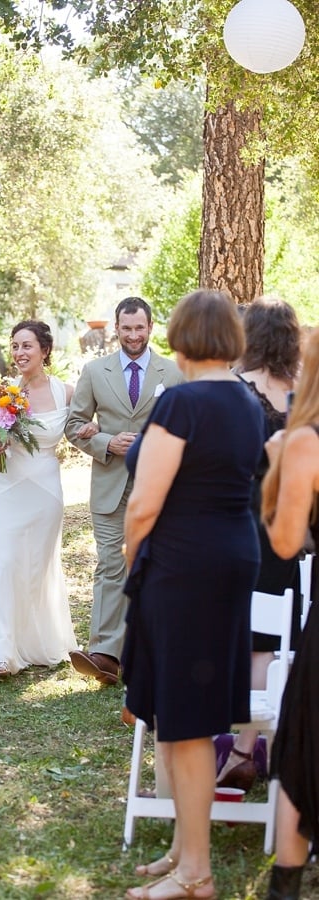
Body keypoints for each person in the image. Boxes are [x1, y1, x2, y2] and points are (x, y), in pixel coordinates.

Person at [121, 290, 265, 900]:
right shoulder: (246, 399)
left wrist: (134, 570)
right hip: (233, 558)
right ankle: (184, 846)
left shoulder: (181, 402)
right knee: (195, 711)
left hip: (184, 566)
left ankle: (196, 874)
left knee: (184, 722)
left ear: (179, 337)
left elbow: (143, 503)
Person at [65, 296, 183, 686]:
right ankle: (104, 654)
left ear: (151, 328)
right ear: (116, 328)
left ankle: (149, 653)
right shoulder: (95, 371)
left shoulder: (175, 372)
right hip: (110, 485)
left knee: (152, 567)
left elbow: (184, 428)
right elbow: (74, 424)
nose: (133, 335)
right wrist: (106, 443)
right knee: (110, 566)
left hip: (159, 485)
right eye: (126, 328)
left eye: (140, 328)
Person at [217, 297, 302, 792]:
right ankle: (259, 741)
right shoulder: (302, 391)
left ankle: (242, 747)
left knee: (250, 635)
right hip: (292, 522)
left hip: (243, 519)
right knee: (277, 636)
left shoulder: (235, 388)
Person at [0, 320, 78, 679]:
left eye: (27, 346)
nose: (19, 353)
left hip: (46, 490)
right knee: (2, 561)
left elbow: (82, 429)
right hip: (5, 487)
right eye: (15, 346)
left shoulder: (67, 392)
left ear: (44, 350)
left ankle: (33, 641)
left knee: (36, 565)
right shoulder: (4, 392)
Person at [260, 327, 319, 900]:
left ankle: (286, 884)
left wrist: (277, 465)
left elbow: (284, 542)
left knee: (304, 741)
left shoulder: (304, 443)